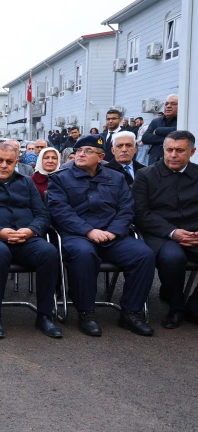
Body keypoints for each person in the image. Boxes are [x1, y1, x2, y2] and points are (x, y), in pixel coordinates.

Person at [47, 134, 155, 337]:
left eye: (88, 151)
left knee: (144, 255)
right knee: (84, 255)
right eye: (78, 151)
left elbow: (126, 209)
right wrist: (89, 231)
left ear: (101, 156)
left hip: (111, 235)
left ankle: (131, 313)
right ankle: (86, 313)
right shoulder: (61, 178)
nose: (80, 154)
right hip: (77, 235)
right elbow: (60, 211)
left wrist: (113, 231)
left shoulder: (116, 178)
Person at [0, 142, 62, 339]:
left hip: (26, 237)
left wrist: (31, 230)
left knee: (49, 252)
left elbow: (42, 214)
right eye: (0, 160)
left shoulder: (26, 182)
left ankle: (44, 315)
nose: (4, 165)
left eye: (9, 161)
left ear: (16, 162)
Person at [132, 131, 198, 328]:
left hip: (195, 232)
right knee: (172, 258)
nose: (173, 155)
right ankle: (176, 306)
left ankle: (194, 305)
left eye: (180, 150)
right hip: (162, 234)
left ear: (192, 152)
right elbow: (141, 213)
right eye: (169, 150)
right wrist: (173, 232)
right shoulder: (145, 175)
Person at [142, 95, 178, 165]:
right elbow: (145, 138)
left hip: (173, 161)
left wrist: (159, 130)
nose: (168, 106)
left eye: (173, 104)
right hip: (154, 160)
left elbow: (180, 132)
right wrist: (172, 138)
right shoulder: (156, 121)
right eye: (166, 104)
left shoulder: (183, 121)